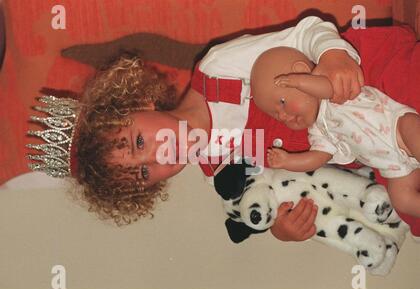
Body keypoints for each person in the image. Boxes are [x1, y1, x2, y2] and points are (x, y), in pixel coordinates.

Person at [27, 16, 420, 240]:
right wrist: (281, 229)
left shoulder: (218, 70)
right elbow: (285, 190)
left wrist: (332, 55)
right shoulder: (222, 168)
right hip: (370, 146)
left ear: (138, 103)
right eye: (144, 171)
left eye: (139, 141)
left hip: (365, 79)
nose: (158, 153)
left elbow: (305, 33)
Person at [250, 46, 420, 217]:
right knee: (402, 200)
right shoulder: (319, 132)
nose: (283, 115)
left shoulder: (331, 91)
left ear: (301, 73)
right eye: (276, 115)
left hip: (398, 125)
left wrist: (299, 82)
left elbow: (325, 88)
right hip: (394, 166)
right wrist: (289, 161)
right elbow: (318, 158)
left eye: (282, 102)